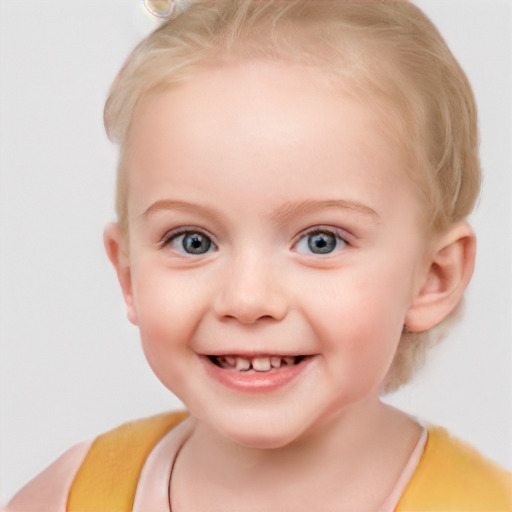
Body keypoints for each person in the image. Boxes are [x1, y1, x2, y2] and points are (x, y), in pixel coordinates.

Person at [4, 1, 511, 510]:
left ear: (433, 278)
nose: (246, 300)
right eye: (193, 241)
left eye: (321, 241)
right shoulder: (76, 495)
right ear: (129, 273)